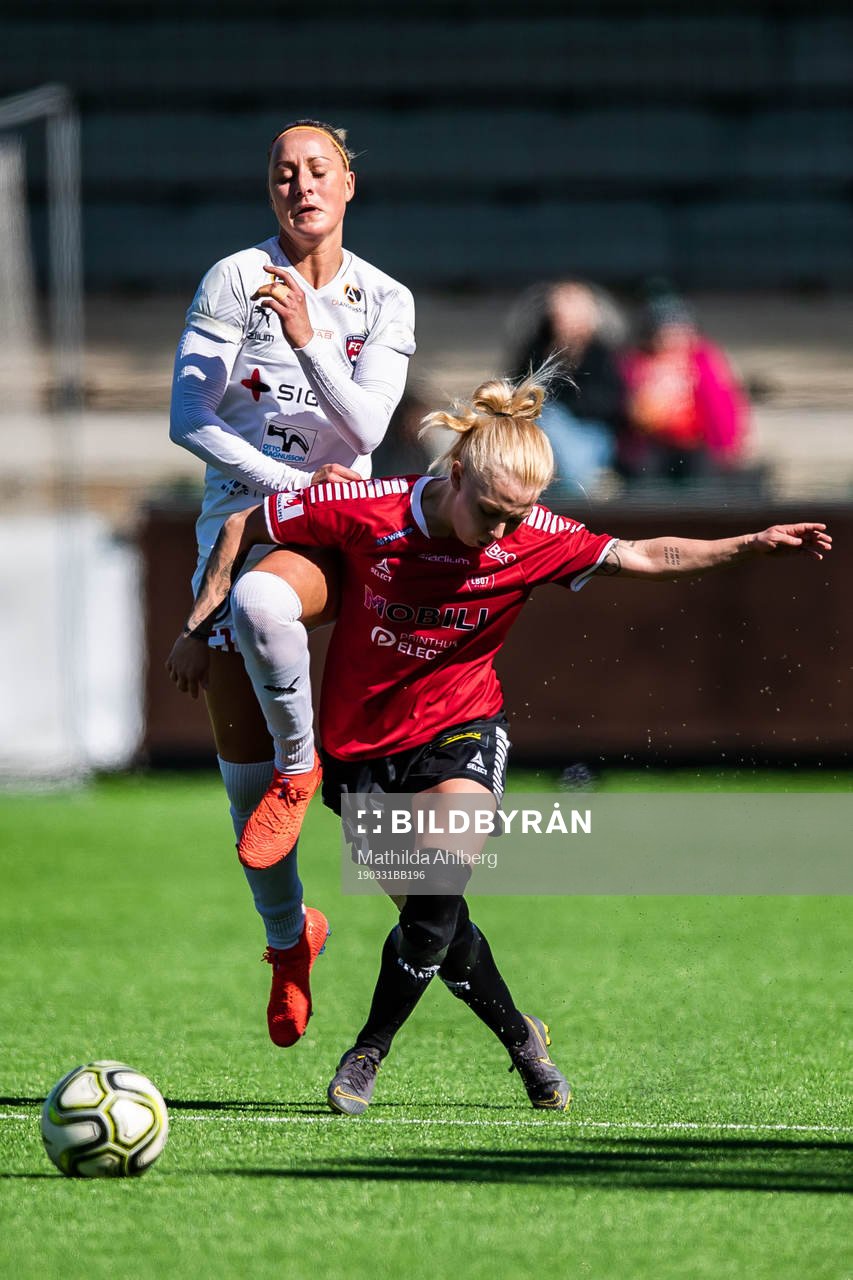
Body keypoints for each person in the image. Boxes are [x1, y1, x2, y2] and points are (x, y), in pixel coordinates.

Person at [168, 372, 831, 1112]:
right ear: (453, 475)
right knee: (437, 925)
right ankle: (522, 1039)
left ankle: (366, 1053)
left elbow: (647, 555)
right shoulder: (368, 508)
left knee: (434, 902)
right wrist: (201, 626)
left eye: (517, 516)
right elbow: (244, 525)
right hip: (361, 750)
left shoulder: (534, 537)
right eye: (488, 512)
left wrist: (750, 542)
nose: (501, 533)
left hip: (462, 731)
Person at [166, 118, 416, 1049]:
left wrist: (309, 339)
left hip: (342, 527)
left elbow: (364, 430)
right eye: (283, 174)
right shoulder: (234, 278)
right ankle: (287, 943)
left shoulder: (386, 298)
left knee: (276, 621)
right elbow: (188, 416)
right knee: (242, 779)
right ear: (269, 190)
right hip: (246, 516)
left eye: (318, 171)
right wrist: (287, 486)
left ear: (349, 183)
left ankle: (313, 775)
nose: (300, 186)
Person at [507, 281, 627, 495]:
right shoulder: (537, 349)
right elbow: (520, 390)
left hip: (590, 432)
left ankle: (583, 485)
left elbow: (610, 401)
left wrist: (570, 405)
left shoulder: (601, 354)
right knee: (549, 420)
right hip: (545, 430)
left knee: (559, 425)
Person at [618, 290, 748, 483]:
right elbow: (631, 415)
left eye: (680, 332)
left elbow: (722, 407)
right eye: (665, 333)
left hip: (698, 444)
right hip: (653, 444)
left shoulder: (704, 361)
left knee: (702, 476)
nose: (673, 339)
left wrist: (727, 446)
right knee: (645, 474)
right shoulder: (636, 363)